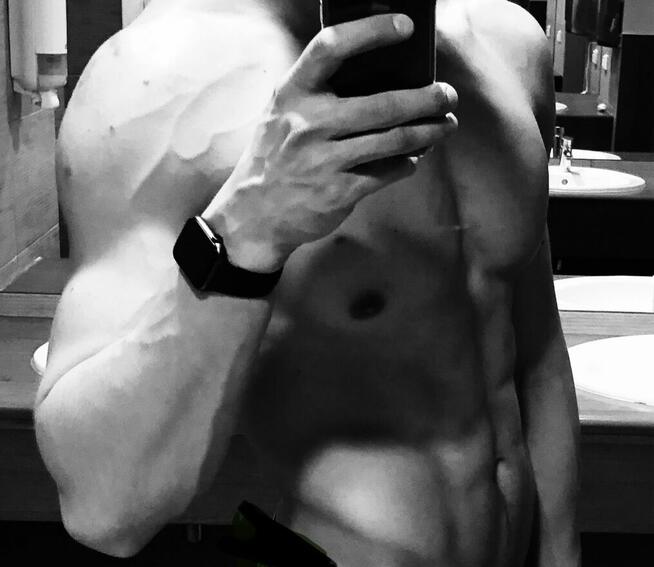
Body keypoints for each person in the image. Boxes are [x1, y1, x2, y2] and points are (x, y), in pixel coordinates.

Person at [34, 0, 580, 565]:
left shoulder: (510, 42)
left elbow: (536, 349)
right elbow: (100, 507)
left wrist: (561, 552)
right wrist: (246, 232)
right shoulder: (157, 80)